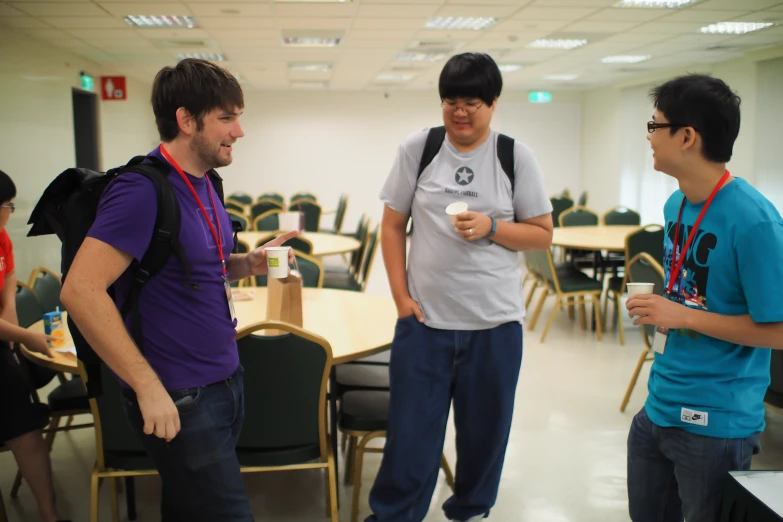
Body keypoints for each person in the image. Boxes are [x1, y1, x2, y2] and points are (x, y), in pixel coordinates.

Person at [60, 59, 296, 522]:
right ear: (187, 120)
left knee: (188, 507)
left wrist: (246, 263)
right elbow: (81, 291)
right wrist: (147, 386)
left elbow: (190, 266)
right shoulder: (141, 191)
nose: (240, 131)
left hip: (225, 377)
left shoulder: (206, 181)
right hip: (179, 393)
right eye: (227, 117)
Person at [365, 53, 554, 522]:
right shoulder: (420, 148)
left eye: (471, 102)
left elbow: (542, 233)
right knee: (410, 437)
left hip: (494, 324)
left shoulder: (514, 156)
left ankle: (470, 511)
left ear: (493, 103)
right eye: (450, 101)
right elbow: (391, 226)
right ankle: (394, 515)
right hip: (425, 323)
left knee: (485, 436)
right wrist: (401, 299)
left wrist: (492, 226)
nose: (459, 112)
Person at [625, 74, 783, 522]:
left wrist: (686, 317)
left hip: (716, 421)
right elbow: (694, 296)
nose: (649, 137)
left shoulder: (754, 222)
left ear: (687, 136)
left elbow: (779, 330)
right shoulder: (677, 205)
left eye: (655, 126)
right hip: (659, 405)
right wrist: (668, 311)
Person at [0, 169, 70, 522]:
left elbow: (8, 287)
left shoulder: (1, 239)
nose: (8, 214)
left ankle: (49, 514)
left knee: (24, 426)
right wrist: (25, 337)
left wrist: (11, 334)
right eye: (7, 205)